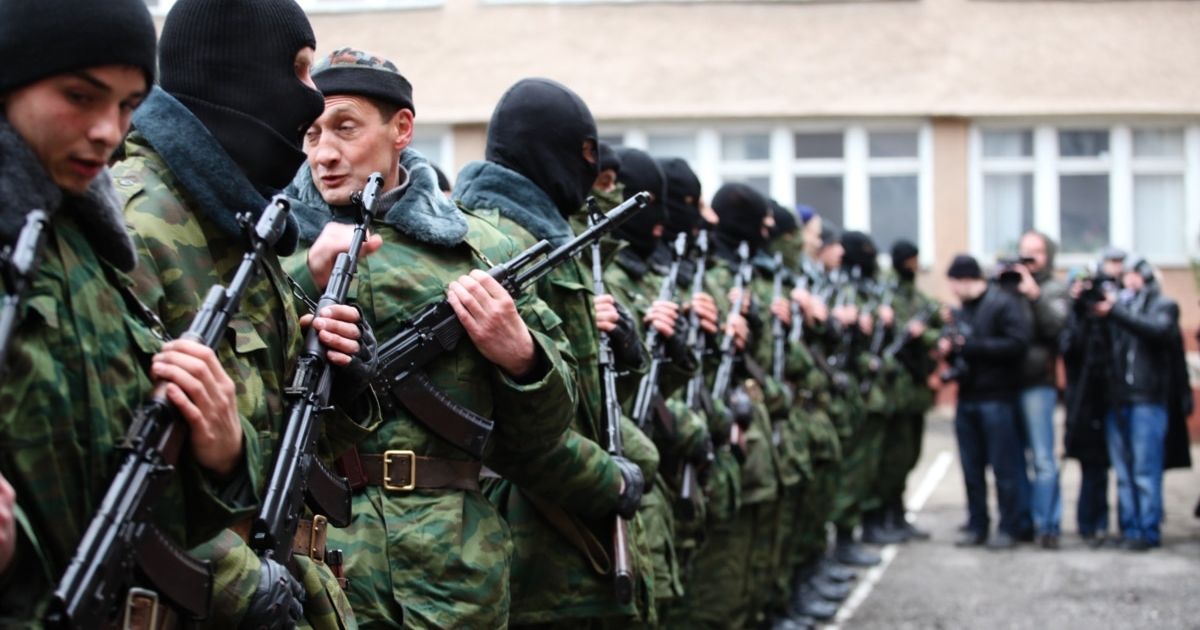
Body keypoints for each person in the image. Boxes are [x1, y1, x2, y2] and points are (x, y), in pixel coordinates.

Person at [286, 53, 624, 627]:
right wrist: (301, 280)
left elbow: (550, 423)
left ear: (401, 129)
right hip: (315, 559)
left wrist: (521, 356)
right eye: (312, 133)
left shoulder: (478, 249)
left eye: (345, 127)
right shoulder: (275, 248)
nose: (324, 154)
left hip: (451, 567)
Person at [112, 2, 374, 626]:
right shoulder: (137, 226)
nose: (313, 99)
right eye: (300, 70)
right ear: (237, 72)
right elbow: (98, 462)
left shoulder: (238, 227)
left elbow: (275, 441)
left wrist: (340, 383)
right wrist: (232, 580)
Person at [0, 0, 258, 624]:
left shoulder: (90, 251)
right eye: (80, 96)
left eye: (127, 105)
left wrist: (222, 454)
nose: (107, 131)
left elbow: (147, 509)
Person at [453, 77, 649, 627]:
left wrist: (630, 354)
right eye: (584, 152)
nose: (592, 170)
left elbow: (582, 396)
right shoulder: (504, 248)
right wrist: (611, 480)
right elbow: (516, 429)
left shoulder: (550, 241)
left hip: (565, 534)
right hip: (529, 538)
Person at [1089, 257, 1192, 550]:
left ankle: (1148, 530)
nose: (1129, 280)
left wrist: (1115, 312)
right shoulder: (1118, 308)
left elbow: (1157, 331)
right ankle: (1129, 529)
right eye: (1126, 275)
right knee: (1123, 473)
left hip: (1148, 400)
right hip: (1117, 400)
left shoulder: (1163, 305)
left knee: (1145, 471)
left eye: (1136, 274)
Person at [941, 255, 1032, 549]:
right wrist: (951, 350)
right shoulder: (963, 311)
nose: (952, 290)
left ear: (966, 279)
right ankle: (977, 525)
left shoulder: (1003, 303)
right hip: (968, 397)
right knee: (971, 468)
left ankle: (1009, 527)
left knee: (1004, 468)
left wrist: (974, 347)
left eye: (954, 283)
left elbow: (1018, 344)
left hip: (997, 398)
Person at [1012, 231, 1069, 549]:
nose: (1030, 257)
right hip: (1008, 383)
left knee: (1043, 458)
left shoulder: (1054, 289)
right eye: (1025, 250)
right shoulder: (1009, 284)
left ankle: (1048, 525)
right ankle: (1023, 523)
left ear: (1048, 256)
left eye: (1037, 251)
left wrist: (1034, 296)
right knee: (1014, 460)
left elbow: (1057, 327)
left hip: (1038, 384)